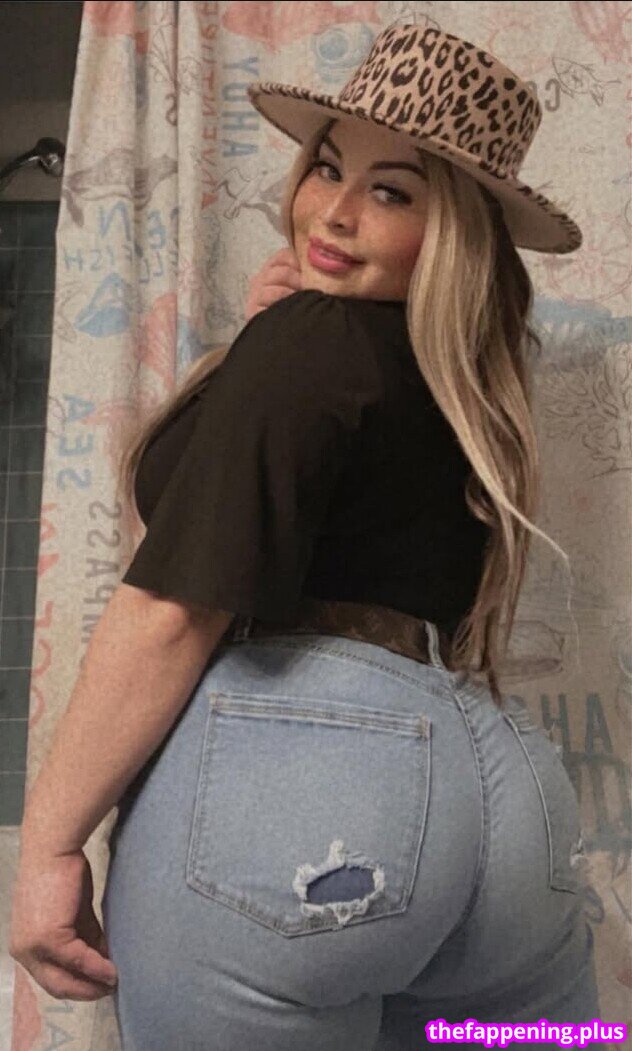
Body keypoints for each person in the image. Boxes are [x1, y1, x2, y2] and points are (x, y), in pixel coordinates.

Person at [10, 23, 603, 1051]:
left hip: (303, 799)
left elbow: (175, 604)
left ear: (454, 231)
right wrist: (253, 351)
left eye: (392, 191)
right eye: (328, 168)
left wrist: (49, 846)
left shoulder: (313, 343)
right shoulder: (466, 383)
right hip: (508, 809)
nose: (333, 210)